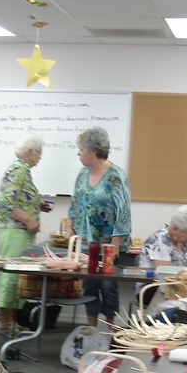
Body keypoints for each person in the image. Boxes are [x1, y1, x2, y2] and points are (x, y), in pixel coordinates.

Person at [63, 127, 132, 327]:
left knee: (108, 286)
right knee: (89, 285)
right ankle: (91, 328)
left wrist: (116, 242)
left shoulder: (116, 175)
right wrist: (70, 226)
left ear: (93, 151)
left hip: (109, 243)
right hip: (86, 242)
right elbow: (75, 201)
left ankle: (110, 329)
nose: (78, 153)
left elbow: (124, 211)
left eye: (81, 149)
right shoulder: (82, 174)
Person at [0, 134, 52, 337]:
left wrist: (37, 205)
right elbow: (7, 203)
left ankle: (10, 321)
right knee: (10, 274)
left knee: (17, 275)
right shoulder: (19, 169)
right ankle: (4, 322)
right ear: (30, 152)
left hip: (18, 232)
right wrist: (29, 220)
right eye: (39, 153)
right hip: (14, 231)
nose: (40, 157)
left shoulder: (22, 170)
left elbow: (18, 198)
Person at [137, 205, 187, 270]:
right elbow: (165, 274)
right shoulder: (160, 241)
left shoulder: (181, 240)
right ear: (175, 229)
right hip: (155, 279)